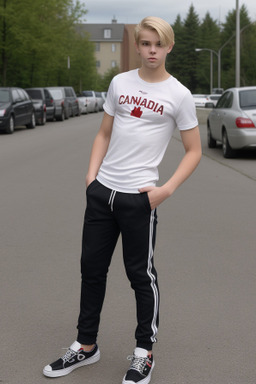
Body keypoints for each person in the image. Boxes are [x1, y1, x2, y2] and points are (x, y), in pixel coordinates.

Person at [43, 16, 202, 384]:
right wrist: (91, 176)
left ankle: (144, 353)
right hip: (102, 195)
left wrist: (165, 190)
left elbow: (194, 151)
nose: (151, 50)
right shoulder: (119, 83)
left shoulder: (178, 94)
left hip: (139, 200)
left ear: (168, 47)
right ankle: (85, 346)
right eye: (145, 43)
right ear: (139, 45)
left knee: (140, 276)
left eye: (157, 44)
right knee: (92, 271)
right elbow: (104, 132)